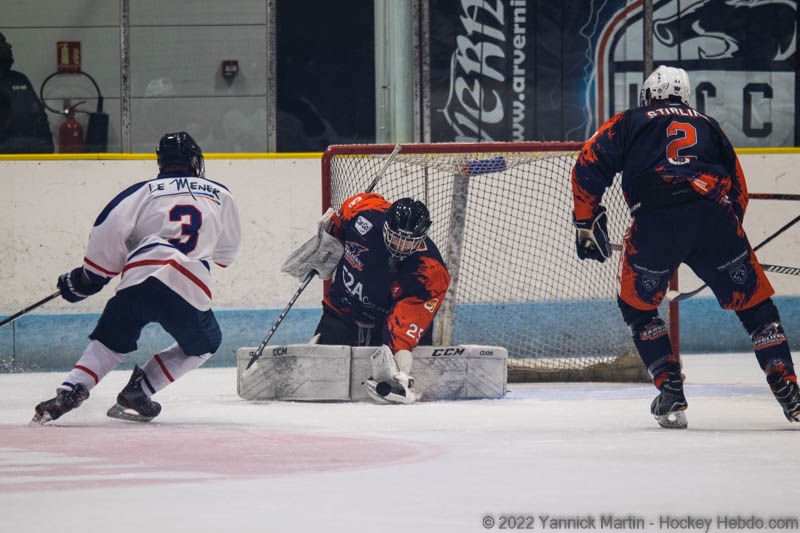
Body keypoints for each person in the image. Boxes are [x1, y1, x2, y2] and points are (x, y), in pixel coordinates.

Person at [571, 65, 798, 429]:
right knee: (758, 309)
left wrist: (587, 219)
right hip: (714, 219)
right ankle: (788, 388)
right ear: (685, 97)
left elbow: (588, 162)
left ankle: (671, 390)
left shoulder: (629, 121)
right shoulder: (709, 124)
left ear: (648, 95)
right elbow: (737, 189)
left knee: (638, 307)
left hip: (655, 222)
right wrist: (724, 240)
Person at [32, 131, 241, 424]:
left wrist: (89, 278)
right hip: (187, 286)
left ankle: (68, 393)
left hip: (138, 279)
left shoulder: (142, 192)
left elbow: (109, 228)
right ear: (194, 160)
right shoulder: (220, 193)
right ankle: (139, 390)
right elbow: (225, 255)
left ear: (161, 161)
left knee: (110, 342)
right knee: (205, 342)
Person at [307, 193, 450, 404]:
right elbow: (342, 219)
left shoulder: (430, 271)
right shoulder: (364, 214)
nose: (400, 247)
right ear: (386, 226)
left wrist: (400, 367)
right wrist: (328, 235)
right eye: (396, 237)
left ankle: (405, 374)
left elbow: (404, 323)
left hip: (384, 321)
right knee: (319, 374)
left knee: (402, 359)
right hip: (344, 307)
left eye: (408, 242)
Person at [0, 32, 53, 153]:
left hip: (32, 155)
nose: (9, 45)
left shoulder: (19, 78)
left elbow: (40, 116)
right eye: (2, 42)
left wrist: (48, 146)